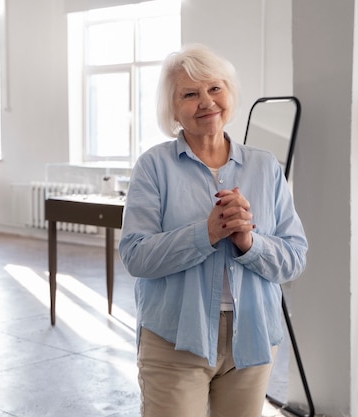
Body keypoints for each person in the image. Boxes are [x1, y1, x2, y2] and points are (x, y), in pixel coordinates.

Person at [118, 44, 308, 417]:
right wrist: (204, 233)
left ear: (229, 94)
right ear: (172, 108)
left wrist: (249, 242)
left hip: (251, 342)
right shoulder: (153, 167)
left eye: (214, 89)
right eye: (189, 94)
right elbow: (136, 255)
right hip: (174, 339)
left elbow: (294, 258)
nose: (206, 102)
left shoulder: (265, 167)